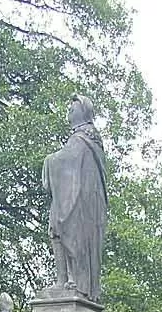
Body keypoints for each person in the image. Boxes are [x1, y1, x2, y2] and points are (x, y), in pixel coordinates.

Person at [42, 95, 108, 301]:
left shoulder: (83, 138)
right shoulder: (83, 139)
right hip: (68, 198)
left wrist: (49, 160)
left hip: (79, 204)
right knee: (55, 231)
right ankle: (62, 280)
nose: (69, 111)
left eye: (73, 107)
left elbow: (66, 160)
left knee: (67, 233)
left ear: (84, 112)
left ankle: (74, 281)